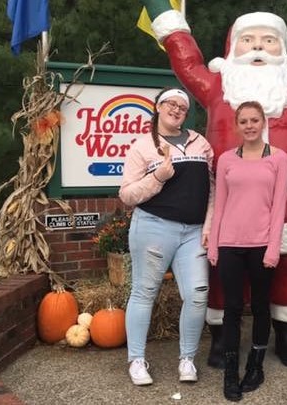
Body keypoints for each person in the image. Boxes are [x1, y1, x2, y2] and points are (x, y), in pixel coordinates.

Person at [141, 2, 287, 368]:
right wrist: (161, 11)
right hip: (227, 200)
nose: (259, 48)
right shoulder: (217, 87)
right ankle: (222, 337)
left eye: (269, 41)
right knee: (222, 271)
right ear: (232, 49)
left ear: (284, 48)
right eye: (248, 40)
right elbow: (186, 61)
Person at [118, 88, 214, 386]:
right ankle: (136, 360)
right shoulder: (142, 146)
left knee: (197, 295)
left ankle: (187, 359)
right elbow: (127, 195)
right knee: (144, 293)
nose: (176, 109)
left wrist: (209, 224)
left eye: (182, 106)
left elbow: (211, 189)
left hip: (194, 231)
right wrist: (159, 176)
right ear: (158, 107)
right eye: (170, 103)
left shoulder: (201, 142)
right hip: (154, 226)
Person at [207, 101, 287, 401]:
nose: (250, 126)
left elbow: (279, 207)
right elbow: (220, 206)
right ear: (237, 125)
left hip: (261, 245)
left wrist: (273, 249)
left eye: (255, 120)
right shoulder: (227, 159)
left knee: (259, 306)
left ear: (263, 123)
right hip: (230, 244)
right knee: (231, 308)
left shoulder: (279, 159)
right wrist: (214, 244)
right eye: (244, 121)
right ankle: (231, 368)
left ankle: (256, 364)